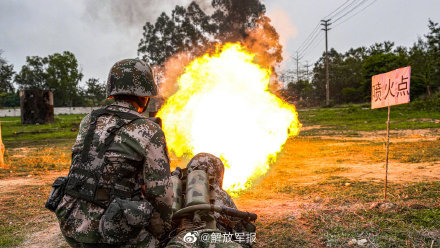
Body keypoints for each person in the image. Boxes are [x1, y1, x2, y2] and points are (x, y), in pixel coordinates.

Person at [54, 59, 173, 247]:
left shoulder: (89, 121)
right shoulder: (149, 130)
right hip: (109, 232)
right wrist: (164, 230)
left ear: (113, 91)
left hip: (71, 222)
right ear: (145, 95)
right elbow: (161, 195)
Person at [166, 153, 255, 248]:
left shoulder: (175, 190)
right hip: (215, 238)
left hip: (182, 239)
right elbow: (241, 231)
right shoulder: (221, 194)